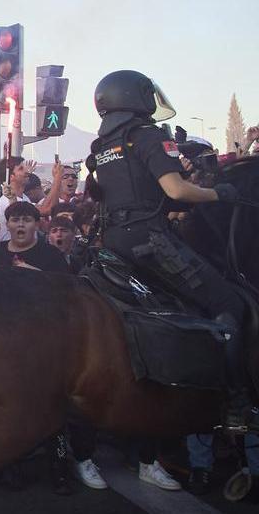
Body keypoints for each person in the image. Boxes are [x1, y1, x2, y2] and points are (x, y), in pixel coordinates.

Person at [88, 70, 254, 430]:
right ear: (137, 99)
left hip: (115, 241)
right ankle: (236, 403)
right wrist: (217, 194)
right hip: (151, 241)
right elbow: (176, 191)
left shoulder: (102, 147)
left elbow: (114, 194)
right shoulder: (146, 135)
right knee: (229, 304)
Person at [0, 201, 71, 273]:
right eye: (15, 220)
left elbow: (64, 285)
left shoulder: (52, 255)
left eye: (27, 220)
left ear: (37, 225)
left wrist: (36, 274)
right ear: (7, 225)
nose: (21, 224)